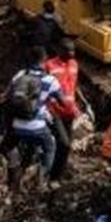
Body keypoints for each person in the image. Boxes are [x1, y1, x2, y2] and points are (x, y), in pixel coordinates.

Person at [7, 45, 66, 186]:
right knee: (50, 146)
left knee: (15, 147)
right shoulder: (51, 80)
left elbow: (8, 94)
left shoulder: (20, 75)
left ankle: (14, 177)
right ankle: (42, 180)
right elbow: (63, 103)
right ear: (45, 59)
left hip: (15, 125)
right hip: (36, 127)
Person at [45, 39, 80, 182]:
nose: (71, 53)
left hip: (69, 111)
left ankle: (60, 174)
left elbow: (74, 86)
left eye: (73, 50)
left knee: (66, 146)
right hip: (55, 111)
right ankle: (53, 177)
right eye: (68, 50)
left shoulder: (74, 64)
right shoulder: (49, 65)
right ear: (60, 50)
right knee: (63, 143)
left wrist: (81, 104)